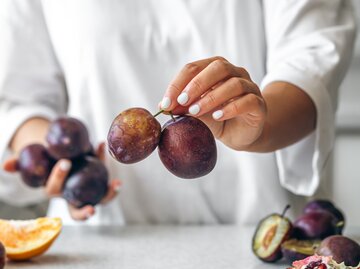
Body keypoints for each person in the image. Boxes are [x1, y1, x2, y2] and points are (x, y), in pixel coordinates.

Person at [0, 0, 356, 225]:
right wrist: (65, 164)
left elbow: (311, 63)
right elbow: (18, 95)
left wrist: (259, 127)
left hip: (256, 235)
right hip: (105, 238)